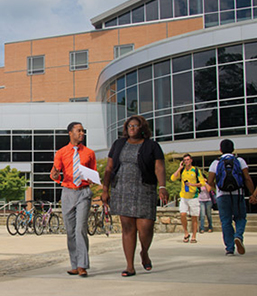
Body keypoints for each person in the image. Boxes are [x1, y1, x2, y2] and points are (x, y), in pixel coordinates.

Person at [102, 115, 168, 277]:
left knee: (145, 228)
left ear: (142, 128)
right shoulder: (118, 144)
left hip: (145, 189)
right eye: (129, 126)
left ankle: (144, 252)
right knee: (128, 228)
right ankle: (129, 266)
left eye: (135, 126)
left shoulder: (152, 146)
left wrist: (162, 186)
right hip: (122, 189)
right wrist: (105, 189)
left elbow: (159, 167)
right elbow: (109, 168)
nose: (132, 128)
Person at [50, 122, 96, 277]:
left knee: (80, 228)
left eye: (83, 131)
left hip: (83, 192)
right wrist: (55, 176)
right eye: (79, 131)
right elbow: (55, 173)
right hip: (68, 192)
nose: (82, 133)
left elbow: (93, 172)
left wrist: (92, 179)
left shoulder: (89, 153)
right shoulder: (61, 152)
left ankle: (83, 265)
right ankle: (75, 265)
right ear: (70, 133)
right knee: (70, 231)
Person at [208, 139, 254, 256]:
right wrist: (253, 193)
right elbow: (247, 178)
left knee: (226, 221)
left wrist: (217, 189)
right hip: (237, 194)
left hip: (222, 195)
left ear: (220, 149)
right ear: (233, 149)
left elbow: (210, 181)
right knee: (240, 217)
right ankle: (238, 236)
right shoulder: (239, 161)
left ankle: (229, 248)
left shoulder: (216, 163)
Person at [171, 154, 206, 243]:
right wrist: (179, 168)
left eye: (188, 160)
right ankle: (186, 233)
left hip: (193, 196)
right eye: (184, 160)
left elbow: (202, 183)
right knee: (183, 214)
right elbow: (173, 178)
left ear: (191, 160)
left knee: (194, 217)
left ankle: (194, 235)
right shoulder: (182, 170)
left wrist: (192, 185)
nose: (186, 161)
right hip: (184, 196)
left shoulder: (195, 170)